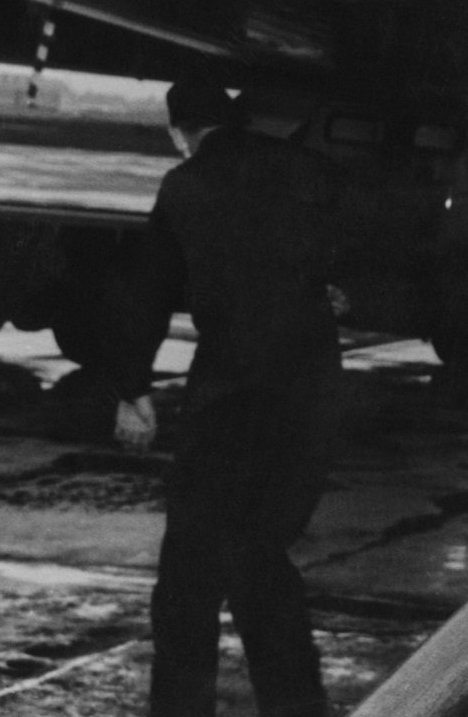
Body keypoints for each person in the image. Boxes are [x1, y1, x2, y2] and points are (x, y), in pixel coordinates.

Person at [110, 77, 344, 717]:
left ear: (180, 133)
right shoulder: (308, 169)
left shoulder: (184, 187)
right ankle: (296, 706)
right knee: (257, 552)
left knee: (189, 568)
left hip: (232, 390)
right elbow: (360, 240)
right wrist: (337, 285)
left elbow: (147, 294)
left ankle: (181, 710)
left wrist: (134, 388)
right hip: (311, 387)